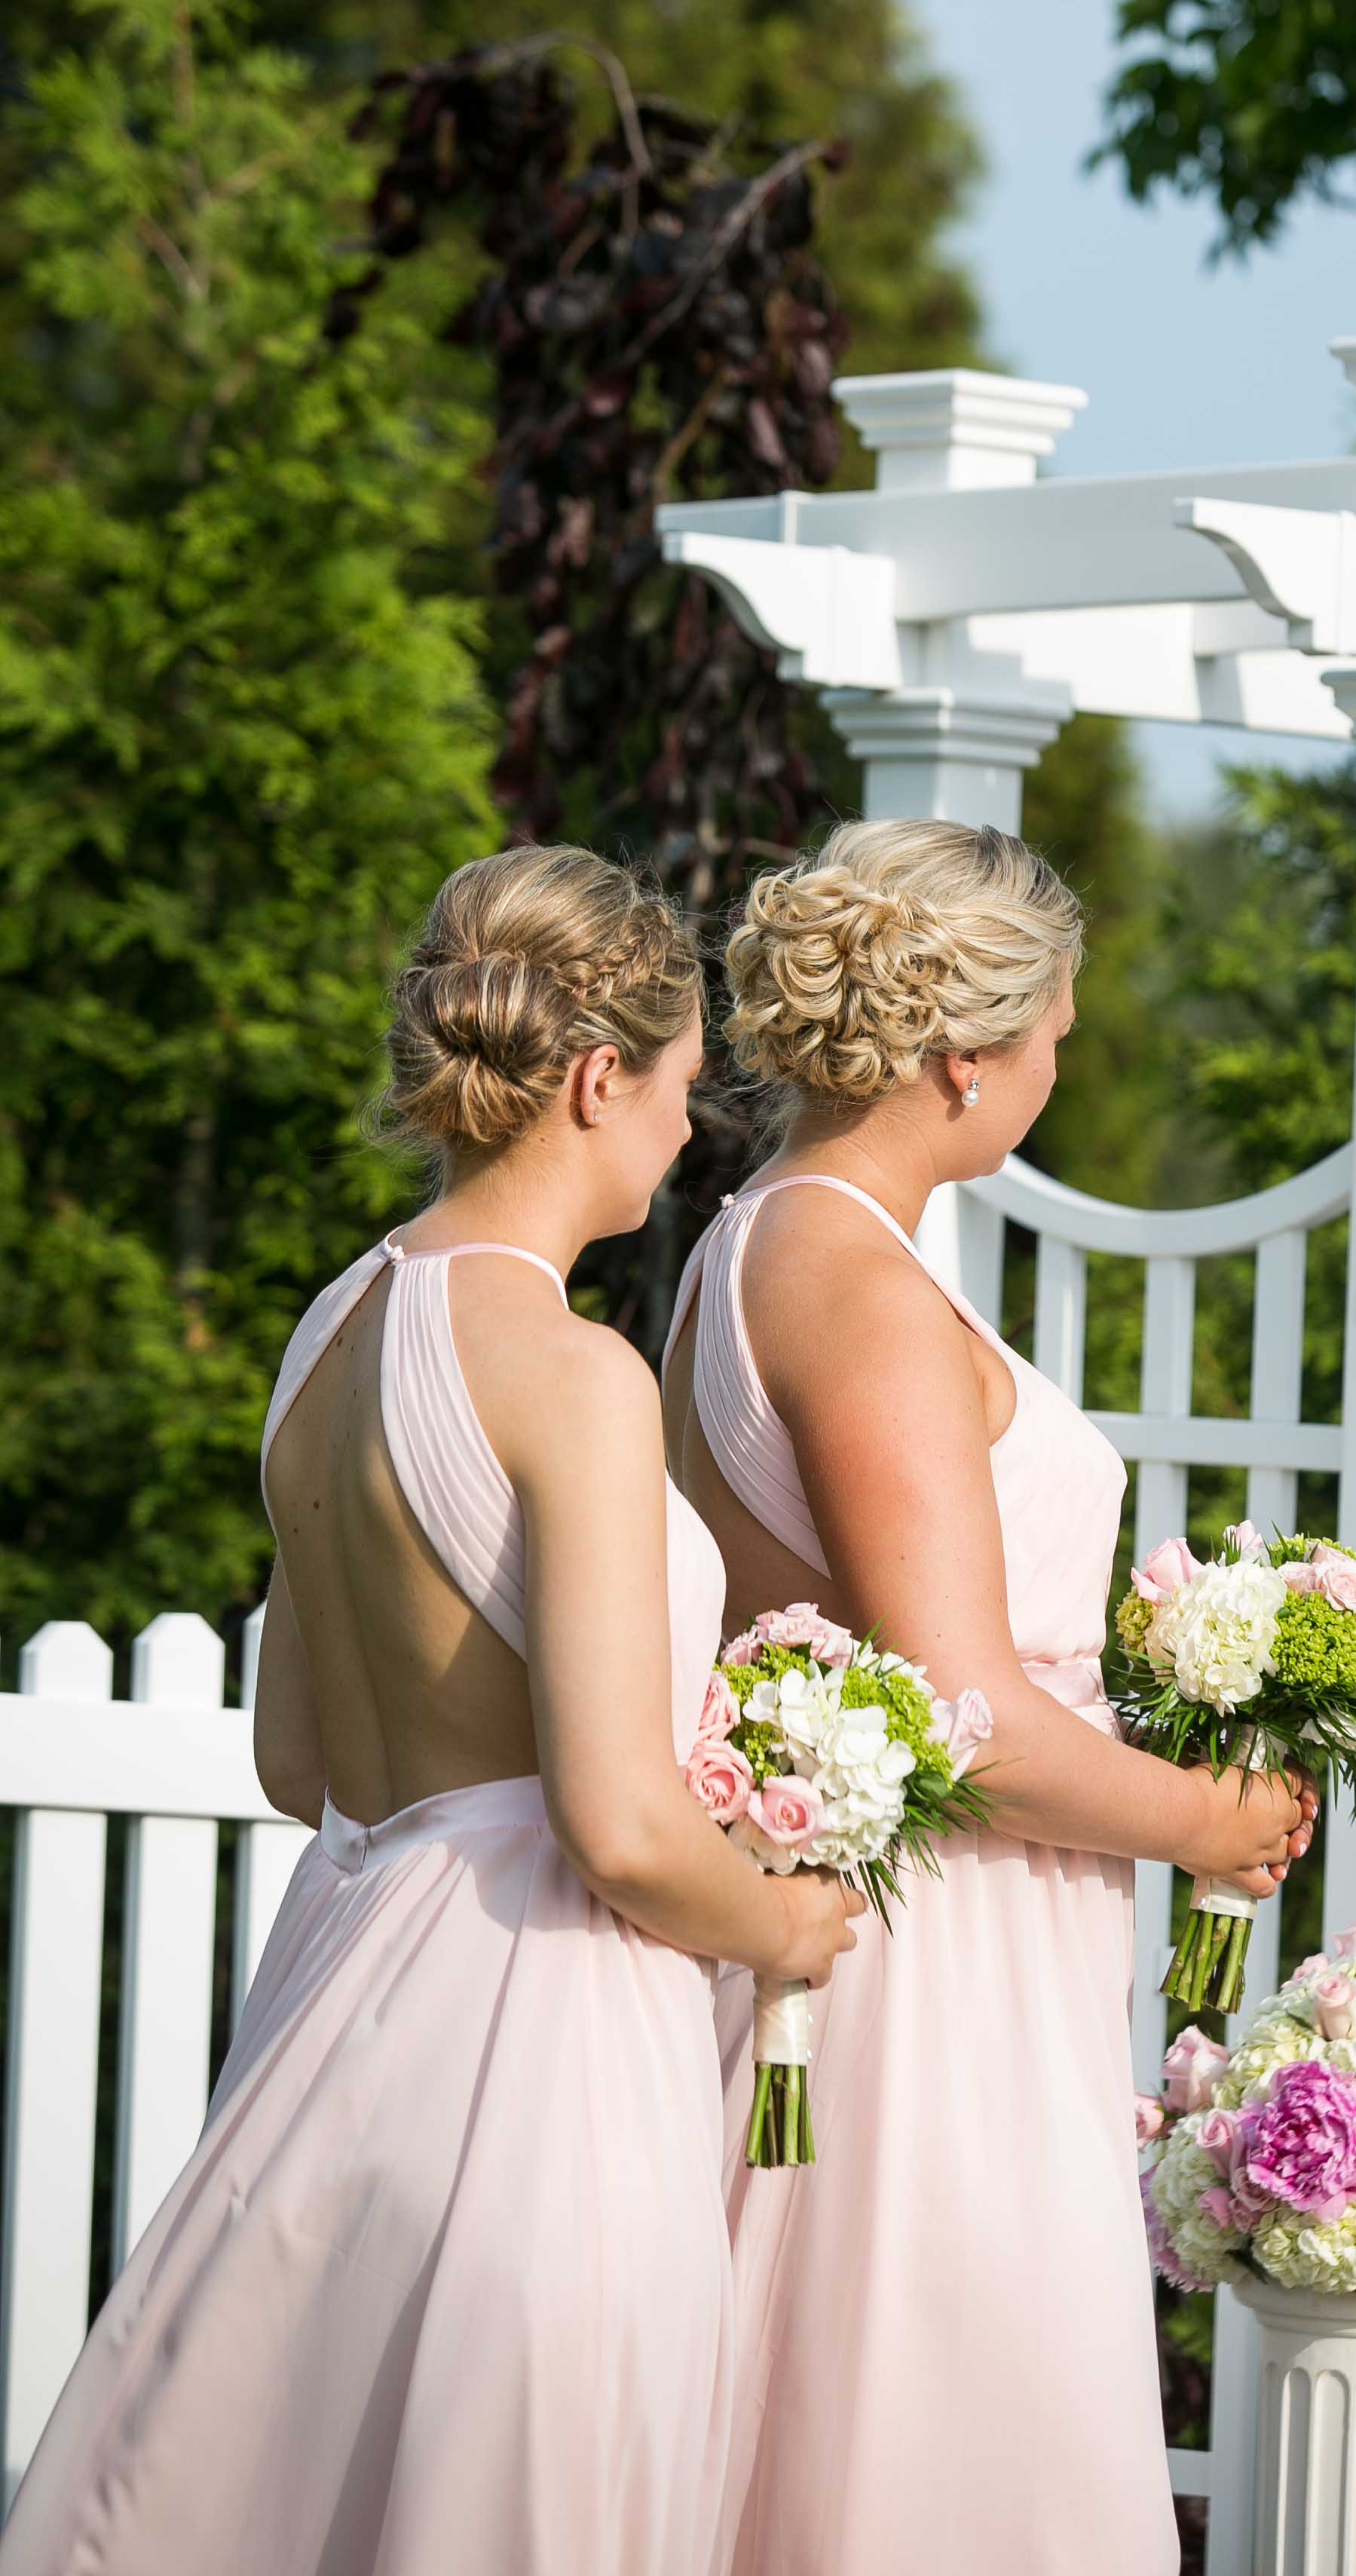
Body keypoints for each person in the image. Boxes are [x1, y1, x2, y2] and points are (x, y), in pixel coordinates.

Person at [2, 845, 857, 2576]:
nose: (688, 1131)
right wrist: (788, 1921)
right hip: (545, 2057)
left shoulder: (329, 1332)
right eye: (684, 1086)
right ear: (599, 1078)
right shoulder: (573, 1374)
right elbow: (618, 1826)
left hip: (345, 2008)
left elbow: (294, 1758)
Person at [662, 819, 1313, 2576]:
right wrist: (1213, 1821)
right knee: (943, 2451)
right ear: (964, 1056)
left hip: (863, 1926)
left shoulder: (741, 1249)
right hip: (933, 1974)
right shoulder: (858, 1289)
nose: (1058, 1071)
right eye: (1053, 1039)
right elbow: (964, 1710)